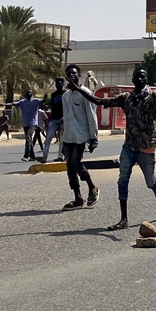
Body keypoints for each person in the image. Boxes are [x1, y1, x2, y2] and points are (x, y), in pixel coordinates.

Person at [69, 66, 156, 230]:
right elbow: (98, 101)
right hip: (129, 147)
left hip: (146, 147)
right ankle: (124, 219)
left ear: (146, 79)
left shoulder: (154, 97)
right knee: (122, 181)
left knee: (150, 181)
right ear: (133, 80)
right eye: (137, 77)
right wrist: (79, 89)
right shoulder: (125, 98)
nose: (140, 79)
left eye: (143, 77)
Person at [59, 64, 101, 211]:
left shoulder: (86, 93)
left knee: (75, 162)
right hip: (68, 136)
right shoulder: (65, 96)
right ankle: (78, 198)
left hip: (81, 136)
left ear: (79, 75)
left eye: (74, 74)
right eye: (68, 74)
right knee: (69, 166)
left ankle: (92, 187)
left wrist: (93, 138)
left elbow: (92, 116)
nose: (71, 76)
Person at [13, 91, 43, 162]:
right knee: (28, 139)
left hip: (33, 124)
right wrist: (3, 104)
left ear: (32, 94)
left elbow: (43, 101)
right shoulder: (22, 102)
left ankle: (26, 155)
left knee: (28, 137)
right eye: (27, 93)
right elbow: (13, 104)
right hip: (25, 124)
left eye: (30, 93)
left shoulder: (36, 101)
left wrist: (44, 97)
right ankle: (32, 156)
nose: (29, 94)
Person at [42, 81, 66, 162]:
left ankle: (60, 156)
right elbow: (52, 105)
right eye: (57, 84)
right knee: (48, 138)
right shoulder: (53, 95)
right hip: (54, 119)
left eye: (61, 83)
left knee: (63, 140)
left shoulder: (66, 94)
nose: (59, 85)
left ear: (63, 85)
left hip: (63, 119)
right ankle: (44, 156)